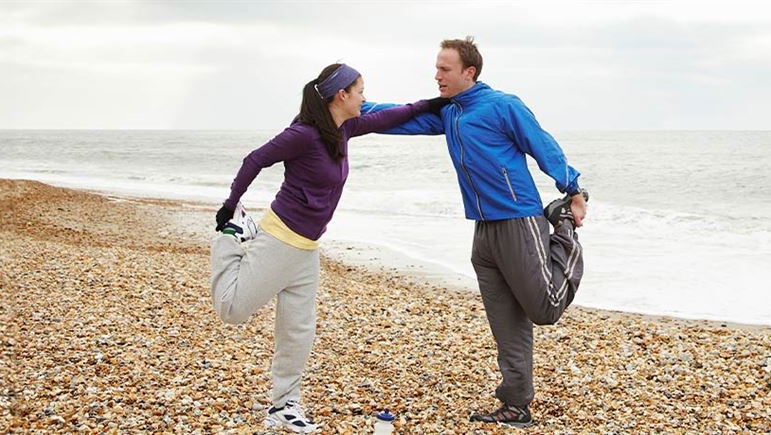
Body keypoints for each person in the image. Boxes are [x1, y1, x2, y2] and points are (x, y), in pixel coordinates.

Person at [360, 36, 588, 428]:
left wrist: (573, 190)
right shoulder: (451, 113)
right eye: (436, 68)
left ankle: (563, 228)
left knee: (544, 310)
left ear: (470, 72)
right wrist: (349, 109)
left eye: (444, 69)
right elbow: (398, 117)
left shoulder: (503, 106)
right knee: (507, 324)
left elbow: (543, 146)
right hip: (483, 231)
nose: (437, 76)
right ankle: (516, 405)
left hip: (520, 220)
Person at [209, 63, 445, 433]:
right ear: (342, 95)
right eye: (361, 91)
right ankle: (231, 237)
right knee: (232, 310)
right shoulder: (302, 135)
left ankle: (284, 405)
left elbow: (386, 117)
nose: (365, 98)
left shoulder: (344, 129)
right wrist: (229, 206)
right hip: (280, 240)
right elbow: (254, 159)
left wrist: (430, 105)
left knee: (298, 331)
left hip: (307, 249)